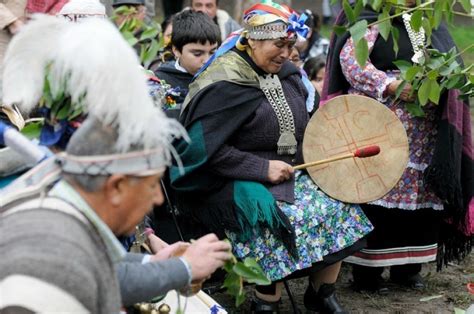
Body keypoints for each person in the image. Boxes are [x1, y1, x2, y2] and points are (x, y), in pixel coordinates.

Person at [0, 15, 231, 313]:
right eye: (151, 184)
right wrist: (184, 268)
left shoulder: (63, 193)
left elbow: (97, 264)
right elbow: (81, 267)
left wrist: (153, 262)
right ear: (118, 185)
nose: (159, 198)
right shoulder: (55, 253)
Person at [170, 2, 373, 313]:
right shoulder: (224, 81)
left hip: (292, 170)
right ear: (252, 40)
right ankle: (266, 300)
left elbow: (313, 121)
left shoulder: (288, 74)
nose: (286, 53)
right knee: (271, 212)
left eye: (291, 45)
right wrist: (261, 168)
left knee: (341, 199)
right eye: (279, 44)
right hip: (229, 177)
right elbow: (204, 151)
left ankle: (322, 292)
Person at [321, 0, 473, 294]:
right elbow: (352, 62)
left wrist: (442, 84)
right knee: (378, 192)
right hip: (379, 129)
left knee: (419, 196)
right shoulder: (369, 19)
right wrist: (390, 85)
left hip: (424, 136)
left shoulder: (428, 21)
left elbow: (450, 64)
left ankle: (409, 268)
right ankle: (368, 273)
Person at [154, 10, 221, 105]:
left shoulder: (223, 76)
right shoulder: (159, 82)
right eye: (197, 54)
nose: (207, 60)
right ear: (176, 50)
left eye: (212, 52)